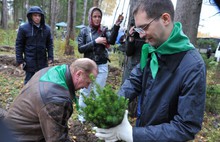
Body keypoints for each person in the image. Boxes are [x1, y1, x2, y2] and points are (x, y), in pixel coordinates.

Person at [94, 0, 206, 141]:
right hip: (144, 129)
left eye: (144, 27)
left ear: (165, 19)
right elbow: (135, 81)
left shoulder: (192, 66)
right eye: (138, 29)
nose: (141, 35)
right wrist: (112, 106)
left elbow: (186, 127)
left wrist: (133, 135)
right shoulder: (153, 50)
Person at [5, 58, 98, 142]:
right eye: (88, 82)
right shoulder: (56, 100)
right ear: (79, 74)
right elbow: (57, 139)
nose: (86, 87)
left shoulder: (53, 71)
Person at [77, 7, 123, 122]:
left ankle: (94, 116)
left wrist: (116, 25)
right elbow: (80, 49)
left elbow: (112, 40)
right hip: (88, 66)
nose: (97, 19)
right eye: (94, 16)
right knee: (85, 91)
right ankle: (82, 117)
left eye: (99, 17)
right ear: (90, 17)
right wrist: (95, 42)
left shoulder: (104, 30)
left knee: (98, 92)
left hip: (102, 66)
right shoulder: (84, 31)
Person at [15, 6, 54, 84]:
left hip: (42, 60)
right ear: (31, 16)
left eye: (39, 15)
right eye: (35, 15)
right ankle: (27, 96)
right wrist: (20, 61)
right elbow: (19, 45)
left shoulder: (46, 29)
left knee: (43, 82)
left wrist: (50, 57)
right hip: (29, 60)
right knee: (29, 82)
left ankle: (41, 96)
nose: (37, 18)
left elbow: (50, 44)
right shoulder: (23, 28)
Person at [121, 18, 145, 118]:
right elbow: (128, 52)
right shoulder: (133, 35)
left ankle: (139, 114)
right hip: (133, 67)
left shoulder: (149, 36)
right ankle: (129, 113)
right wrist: (130, 38)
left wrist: (145, 37)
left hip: (146, 67)